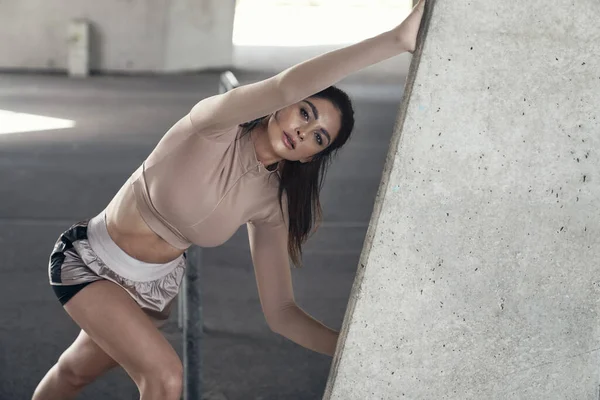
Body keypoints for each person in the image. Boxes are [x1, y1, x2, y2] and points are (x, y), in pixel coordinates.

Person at [32, 1, 426, 399]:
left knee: (72, 374)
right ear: (285, 105)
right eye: (305, 113)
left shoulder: (272, 203)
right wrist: (396, 40)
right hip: (90, 263)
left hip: (152, 294)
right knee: (165, 377)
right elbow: (284, 85)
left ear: (310, 157)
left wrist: (353, 348)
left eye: (318, 138)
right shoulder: (214, 124)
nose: (304, 131)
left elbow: (282, 313)